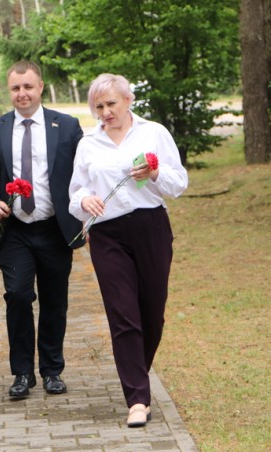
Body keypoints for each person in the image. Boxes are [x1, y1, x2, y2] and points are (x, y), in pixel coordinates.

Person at [68, 73, 188, 427]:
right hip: (107, 234)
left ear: (128, 100)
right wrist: (84, 200)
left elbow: (179, 183)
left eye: (111, 104)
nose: (105, 112)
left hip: (151, 227)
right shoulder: (88, 144)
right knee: (123, 314)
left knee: (152, 314)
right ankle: (137, 397)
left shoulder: (154, 133)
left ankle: (137, 368)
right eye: (99, 106)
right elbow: (75, 193)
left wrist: (153, 172)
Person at [0, 61, 84, 400]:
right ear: (9, 91)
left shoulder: (66, 126)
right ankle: (22, 372)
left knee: (55, 301)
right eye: (15, 88)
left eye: (28, 87)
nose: (22, 94)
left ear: (40, 87)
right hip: (16, 229)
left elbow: (84, 172)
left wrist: (85, 215)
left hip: (54, 228)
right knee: (18, 297)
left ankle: (52, 370)